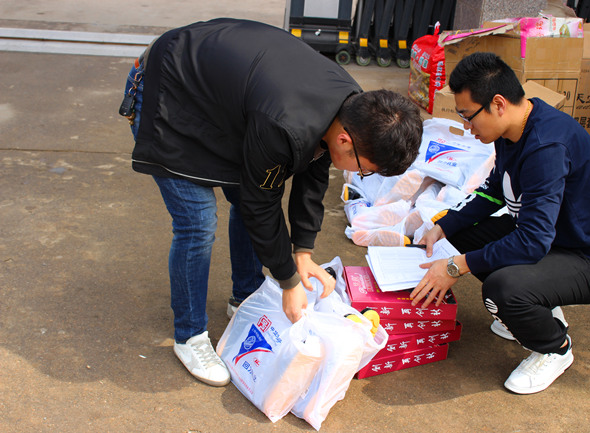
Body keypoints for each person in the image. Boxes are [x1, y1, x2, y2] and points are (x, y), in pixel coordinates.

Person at [121, 18, 423, 387]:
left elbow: (313, 177)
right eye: (364, 169)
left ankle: (244, 298)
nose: (359, 175)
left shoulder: (352, 109)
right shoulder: (284, 125)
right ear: (345, 141)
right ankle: (190, 336)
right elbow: (260, 204)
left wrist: (302, 252)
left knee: (246, 194)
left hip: (222, 97)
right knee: (197, 223)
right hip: (168, 86)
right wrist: (288, 281)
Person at [410, 52, 590, 394]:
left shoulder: (546, 146)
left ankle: (555, 348)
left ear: (498, 104)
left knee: (502, 290)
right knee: (461, 235)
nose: (467, 127)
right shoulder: (512, 130)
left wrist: (455, 267)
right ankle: (539, 306)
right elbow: (495, 190)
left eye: (468, 116)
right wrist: (444, 226)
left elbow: (532, 241)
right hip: (552, 241)